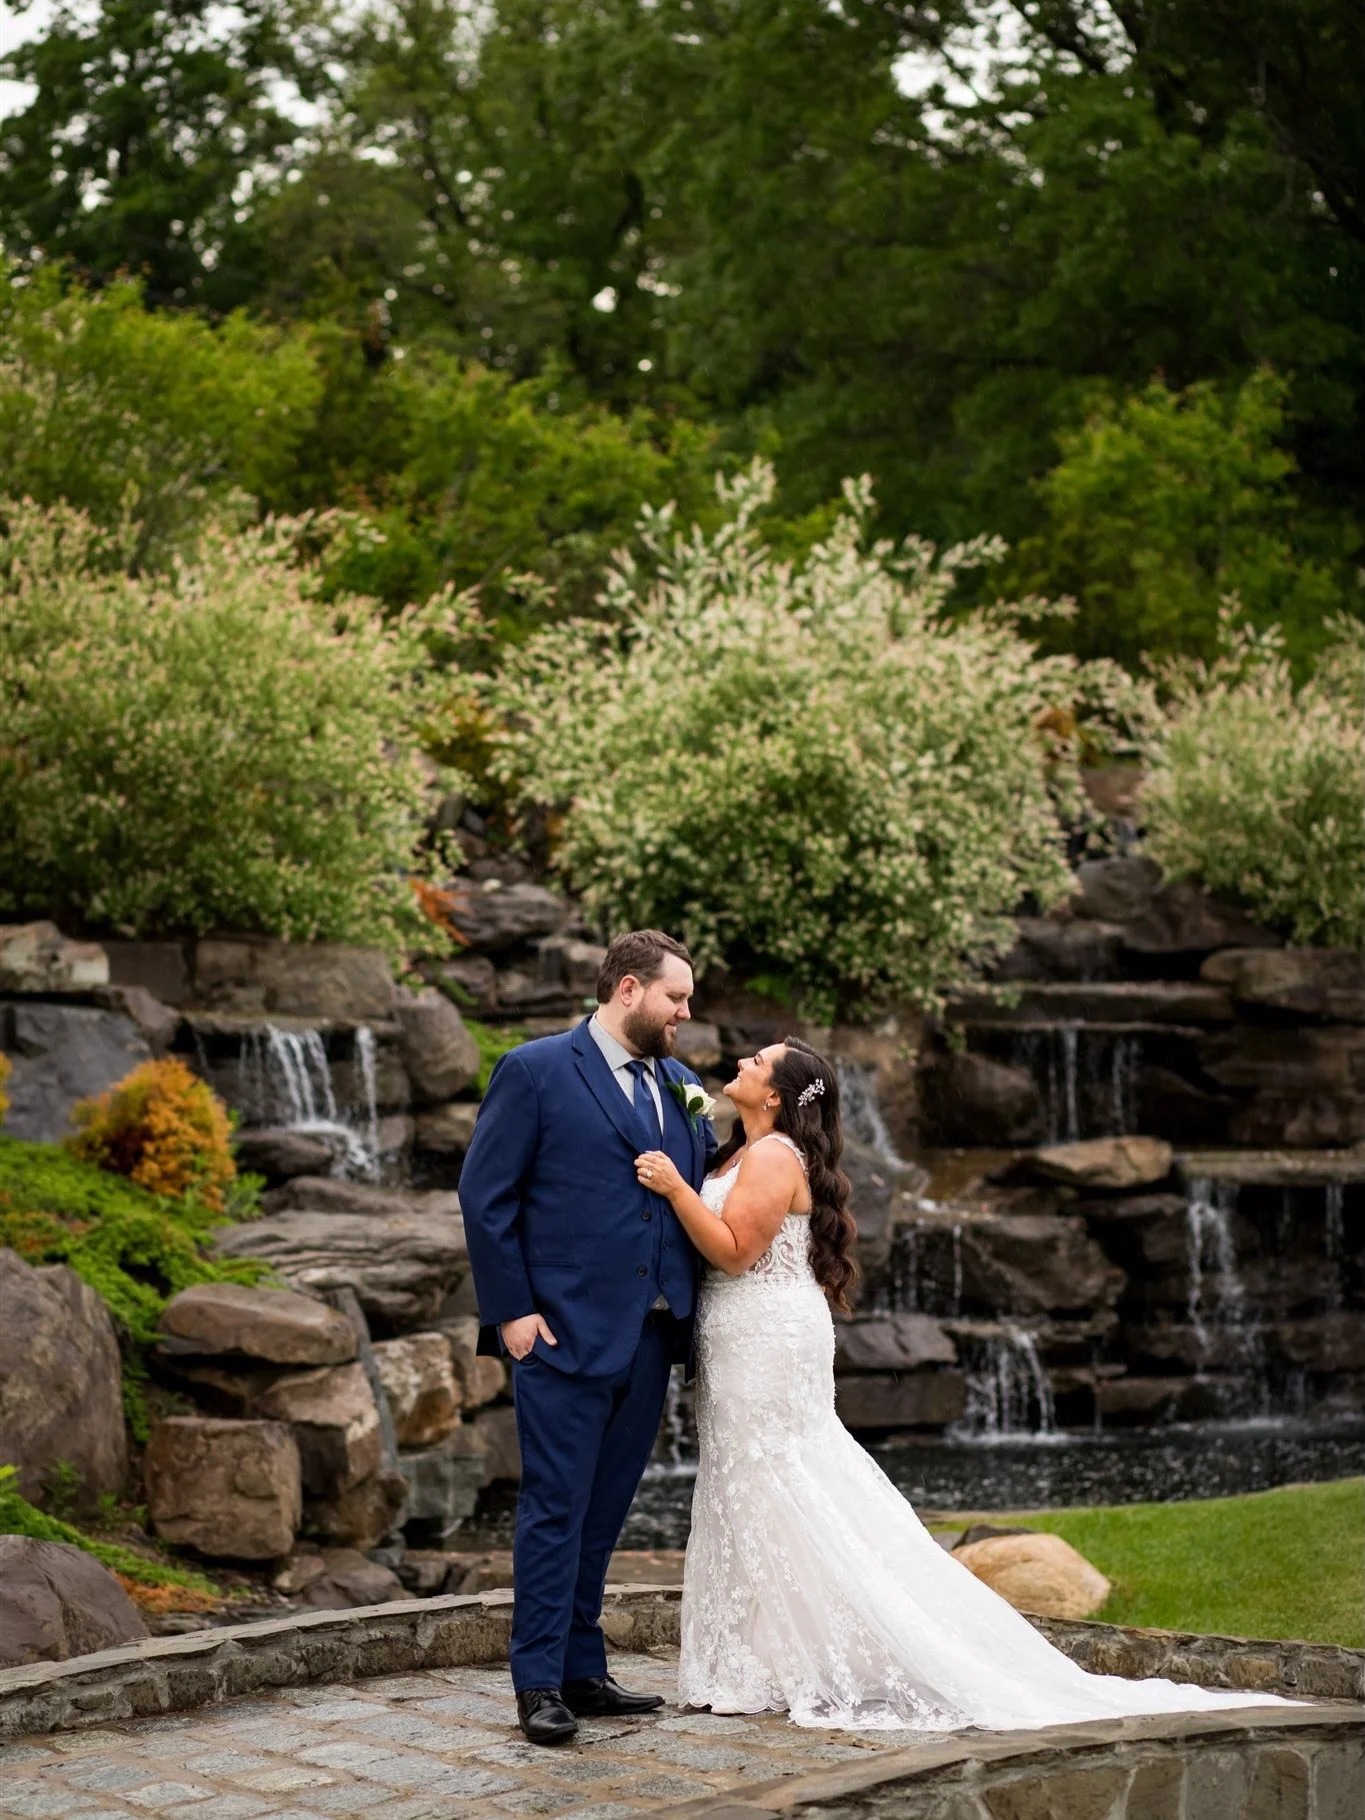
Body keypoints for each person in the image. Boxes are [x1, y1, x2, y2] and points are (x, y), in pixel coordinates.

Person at [634, 1036, 1291, 1731]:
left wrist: (675, 1188)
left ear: (773, 1096)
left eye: (757, 1063)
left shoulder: (770, 1155)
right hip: (739, 1335)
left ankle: (824, 1649)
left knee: (774, 1481)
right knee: (751, 1484)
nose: (740, 1062)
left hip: (765, 1336)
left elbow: (735, 1253)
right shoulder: (738, 1148)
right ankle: (761, 1657)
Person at [460, 928, 717, 1745]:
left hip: (650, 1338)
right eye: (676, 997)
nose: (685, 1012)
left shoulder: (679, 1085)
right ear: (629, 989)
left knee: (604, 1513)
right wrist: (513, 1316)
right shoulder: (534, 1069)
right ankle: (535, 1681)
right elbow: (485, 1196)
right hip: (561, 1336)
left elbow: (694, 1189)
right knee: (552, 1509)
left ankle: (582, 1667)